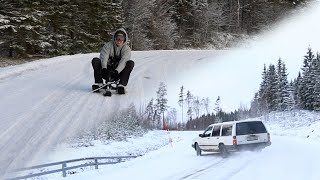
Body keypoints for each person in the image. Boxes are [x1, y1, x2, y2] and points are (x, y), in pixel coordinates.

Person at [91, 28, 134, 92]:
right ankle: (99, 83)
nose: (119, 40)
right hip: (106, 71)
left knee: (130, 63)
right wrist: (104, 68)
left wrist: (117, 71)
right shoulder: (108, 45)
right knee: (95, 60)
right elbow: (104, 57)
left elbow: (123, 61)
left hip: (118, 73)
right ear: (114, 38)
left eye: (121, 38)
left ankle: (121, 85)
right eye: (118, 37)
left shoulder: (126, 49)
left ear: (125, 39)